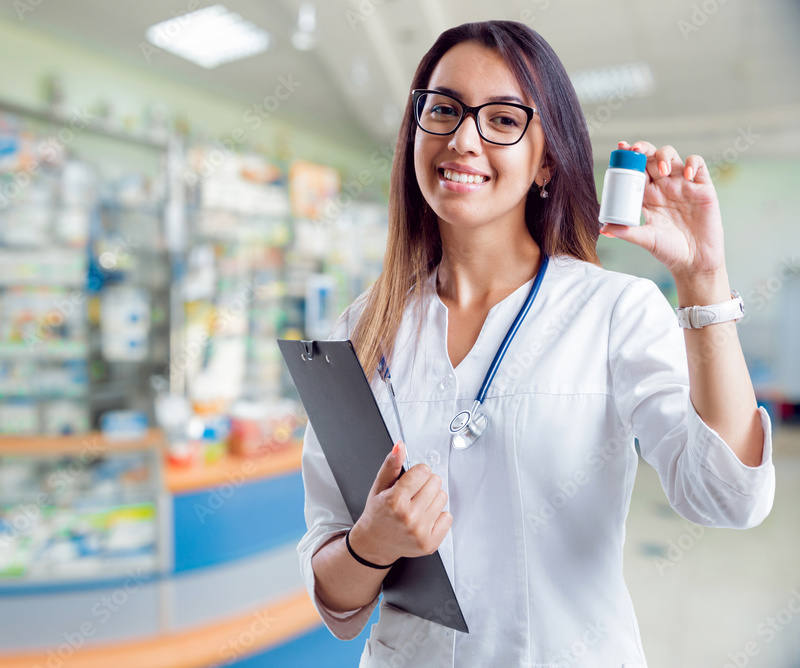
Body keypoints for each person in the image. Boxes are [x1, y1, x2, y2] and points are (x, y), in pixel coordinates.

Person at [296, 20, 775, 667]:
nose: (463, 139)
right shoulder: (357, 330)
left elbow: (728, 499)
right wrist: (371, 545)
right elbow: (337, 602)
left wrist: (703, 281)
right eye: (443, 110)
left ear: (545, 160)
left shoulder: (613, 310)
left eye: (501, 120)